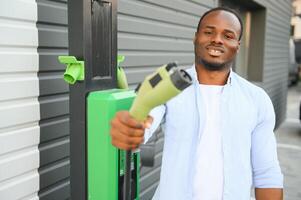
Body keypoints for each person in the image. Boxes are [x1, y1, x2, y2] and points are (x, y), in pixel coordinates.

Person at [110, 7, 283, 200]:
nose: (217, 39)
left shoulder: (256, 99)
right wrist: (132, 128)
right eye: (209, 32)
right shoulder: (170, 86)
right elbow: (144, 121)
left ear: (237, 45)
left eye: (228, 35)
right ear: (195, 37)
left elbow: (266, 173)